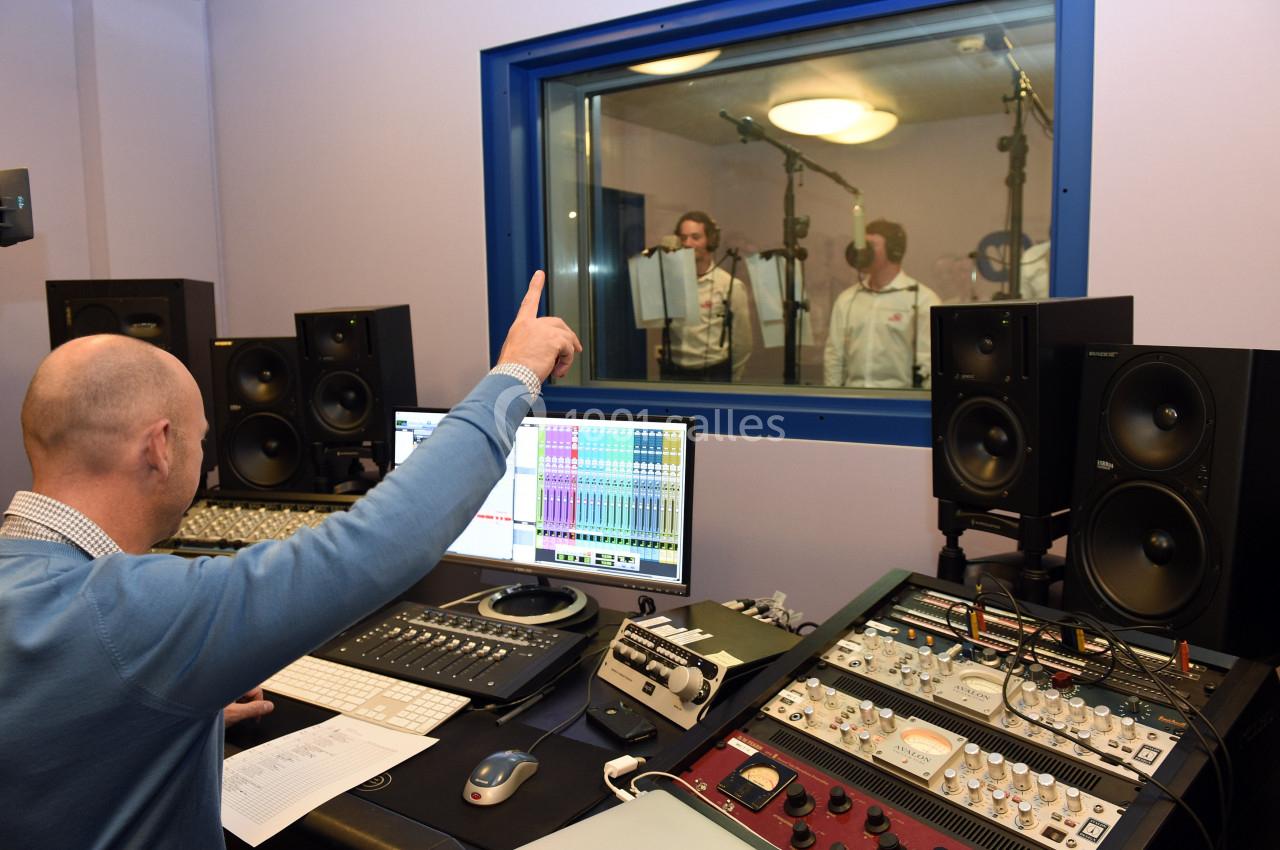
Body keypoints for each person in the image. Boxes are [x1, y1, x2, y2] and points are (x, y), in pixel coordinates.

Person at [0, 272, 580, 849]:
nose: (202, 461)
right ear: (158, 446)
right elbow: (381, 542)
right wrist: (516, 373)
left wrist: (162, 713)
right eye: (200, 441)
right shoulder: (127, 614)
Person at [823, 219, 941, 389]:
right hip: (853, 400)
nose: (863, 251)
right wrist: (833, 402)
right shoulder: (846, 300)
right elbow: (834, 357)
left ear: (894, 251)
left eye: (872, 245)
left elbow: (929, 360)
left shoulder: (922, 299)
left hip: (900, 403)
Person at [660, 210, 753, 382]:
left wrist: (732, 379)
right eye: (683, 238)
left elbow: (742, 343)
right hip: (674, 373)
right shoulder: (669, 282)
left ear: (710, 241)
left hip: (713, 375)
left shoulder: (729, 285)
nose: (687, 243)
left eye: (695, 237)